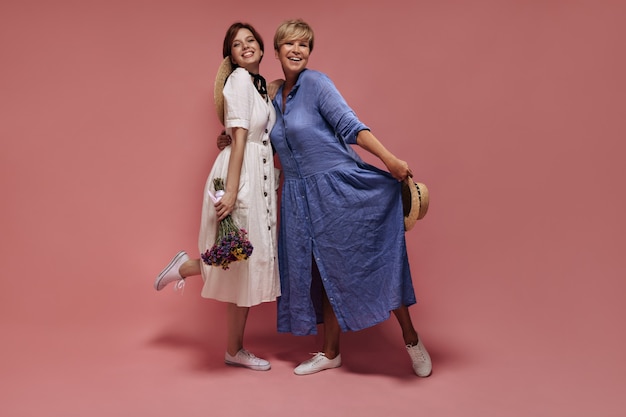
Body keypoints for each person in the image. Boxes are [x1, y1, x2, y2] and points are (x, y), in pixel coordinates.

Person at [269, 19, 431, 376]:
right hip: (297, 197)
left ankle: (411, 338)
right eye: (290, 44)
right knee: (321, 271)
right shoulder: (275, 99)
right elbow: (266, 143)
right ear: (277, 49)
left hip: (337, 189)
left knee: (365, 264)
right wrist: (228, 141)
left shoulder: (316, 83)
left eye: (304, 45)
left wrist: (388, 159)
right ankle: (330, 353)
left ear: (309, 52)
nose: (297, 51)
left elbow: (349, 125)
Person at [154, 22, 280, 371]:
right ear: (232, 56)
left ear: (260, 46)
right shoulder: (239, 81)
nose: (246, 46)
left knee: (243, 264)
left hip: (255, 172)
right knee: (240, 260)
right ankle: (185, 270)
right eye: (237, 45)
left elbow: (251, 131)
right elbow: (239, 138)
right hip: (242, 175)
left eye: (250, 40)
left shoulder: (258, 87)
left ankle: (232, 348)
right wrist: (234, 191)